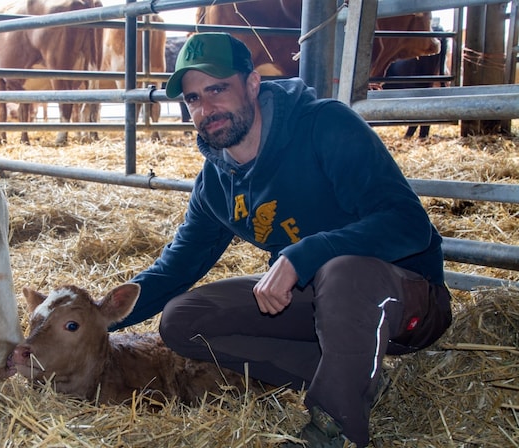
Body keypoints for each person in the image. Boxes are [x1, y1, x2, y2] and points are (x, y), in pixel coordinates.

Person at [112, 33, 453, 447]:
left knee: (342, 270)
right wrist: (97, 317)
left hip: (407, 301)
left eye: (218, 89)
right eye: (193, 99)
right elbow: (176, 268)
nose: (206, 108)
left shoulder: (324, 126)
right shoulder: (216, 183)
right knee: (182, 320)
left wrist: (305, 254)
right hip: (317, 309)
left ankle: (336, 426)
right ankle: (352, 373)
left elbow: (410, 224)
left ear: (253, 84)